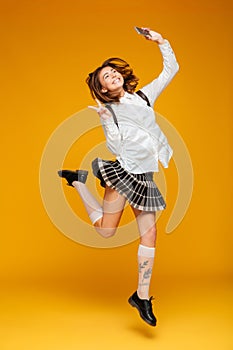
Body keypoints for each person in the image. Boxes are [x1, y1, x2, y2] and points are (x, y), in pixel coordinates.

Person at [58, 27, 179, 327]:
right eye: (105, 78)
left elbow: (171, 69)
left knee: (150, 235)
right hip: (124, 172)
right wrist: (106, 122)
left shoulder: (143, 98)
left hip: (145, 176)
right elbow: (115, 146)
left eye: (113, 72)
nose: (112, 76)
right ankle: (78, 182)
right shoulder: (110, 110)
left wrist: (161, 41)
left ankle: (142, 296)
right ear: (104, 90)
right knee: (106, 231)